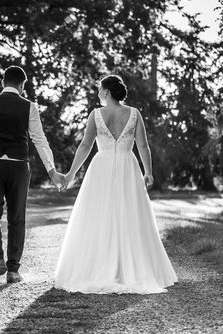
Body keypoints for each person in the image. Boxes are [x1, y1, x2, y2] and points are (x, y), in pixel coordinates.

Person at [54, 74, 177, 293]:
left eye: (100, 88)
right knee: (129, 215)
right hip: (128, 166)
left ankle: (99, 268)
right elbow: (143, 146)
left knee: (99, 215)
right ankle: (127, 269)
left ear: (107, 91)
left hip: (101, 166)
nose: (98, 92)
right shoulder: (134, 114)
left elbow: (85, 146)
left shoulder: (95, 114)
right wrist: (148, 172)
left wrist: (71, 174)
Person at [0, 66, 65, 287]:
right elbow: (39, 140)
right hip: (19, 167)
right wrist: (51, 170)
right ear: (22, 85)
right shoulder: (29, 107)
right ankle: (13, 270)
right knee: (16, 218)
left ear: (3, 82)